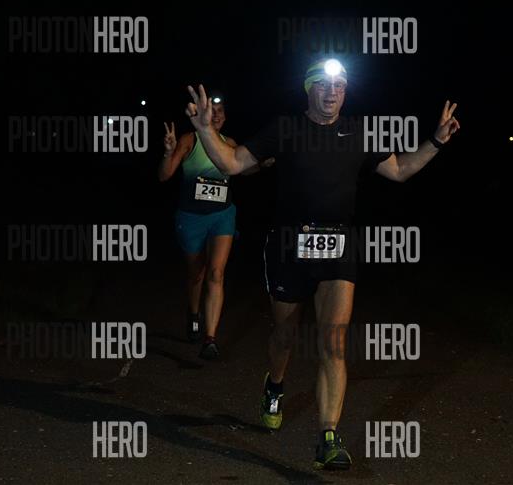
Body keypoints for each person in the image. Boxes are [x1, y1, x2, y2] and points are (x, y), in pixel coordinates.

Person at [184, 59, 459, 469]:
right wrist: (206, 129)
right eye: (325, 85)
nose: (333, 93)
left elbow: (401, 170)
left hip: (339, 246)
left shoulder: (359, 133)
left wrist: (435, 141)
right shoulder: (285, 128)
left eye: (340, 86)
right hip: (288, 246)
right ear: (308, 88)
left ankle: (328, 438)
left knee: (334, 342)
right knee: (284, 335)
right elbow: (232, 164)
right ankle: (275, 384)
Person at [158, 96, 240, 360]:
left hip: (222, 216)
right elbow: (164, 175)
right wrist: (169, 152)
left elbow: (244, 168)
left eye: (220, 111)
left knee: (216, 273)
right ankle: (193, 313)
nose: (216, 115)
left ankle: (210, 339)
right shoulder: (189, 140)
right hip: (191, 218)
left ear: (225, 116)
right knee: (197, 274)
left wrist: (263, 161)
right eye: (211, 110)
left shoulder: (230, 144)